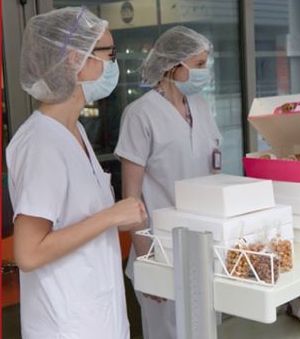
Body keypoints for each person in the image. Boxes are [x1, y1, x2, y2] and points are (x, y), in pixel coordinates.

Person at [7, 7, 147, 339]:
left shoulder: (74, 131)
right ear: (76, 58)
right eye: (108, 53)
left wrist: (115, 216)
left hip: (96, 315)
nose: (114, 63)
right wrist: (111, 216)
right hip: (65, 325)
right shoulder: (41, 142)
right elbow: (28, 253)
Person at [115, 26, 222, 339]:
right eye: (199, 65)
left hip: (202, 246)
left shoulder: (201, 106)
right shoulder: (140, 114)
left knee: (205, 330)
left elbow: (213, 172)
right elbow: (131, 198)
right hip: (160, 248)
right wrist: (150, 264)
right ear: (173, 65)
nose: (206, 72)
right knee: (168, 332)